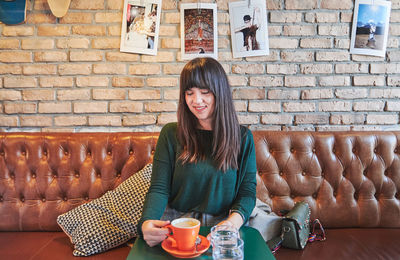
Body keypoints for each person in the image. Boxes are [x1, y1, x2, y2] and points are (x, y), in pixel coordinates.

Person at [137, 57, 257, 247]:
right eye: (189, 93)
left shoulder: (242, 137)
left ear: (220, 93)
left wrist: (232, 223)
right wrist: (146, 223)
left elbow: (247, 192)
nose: (196, 100)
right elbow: (159, 188)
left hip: (223, 224)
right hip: (177, 223)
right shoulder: (170, 134)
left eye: (205, 92)